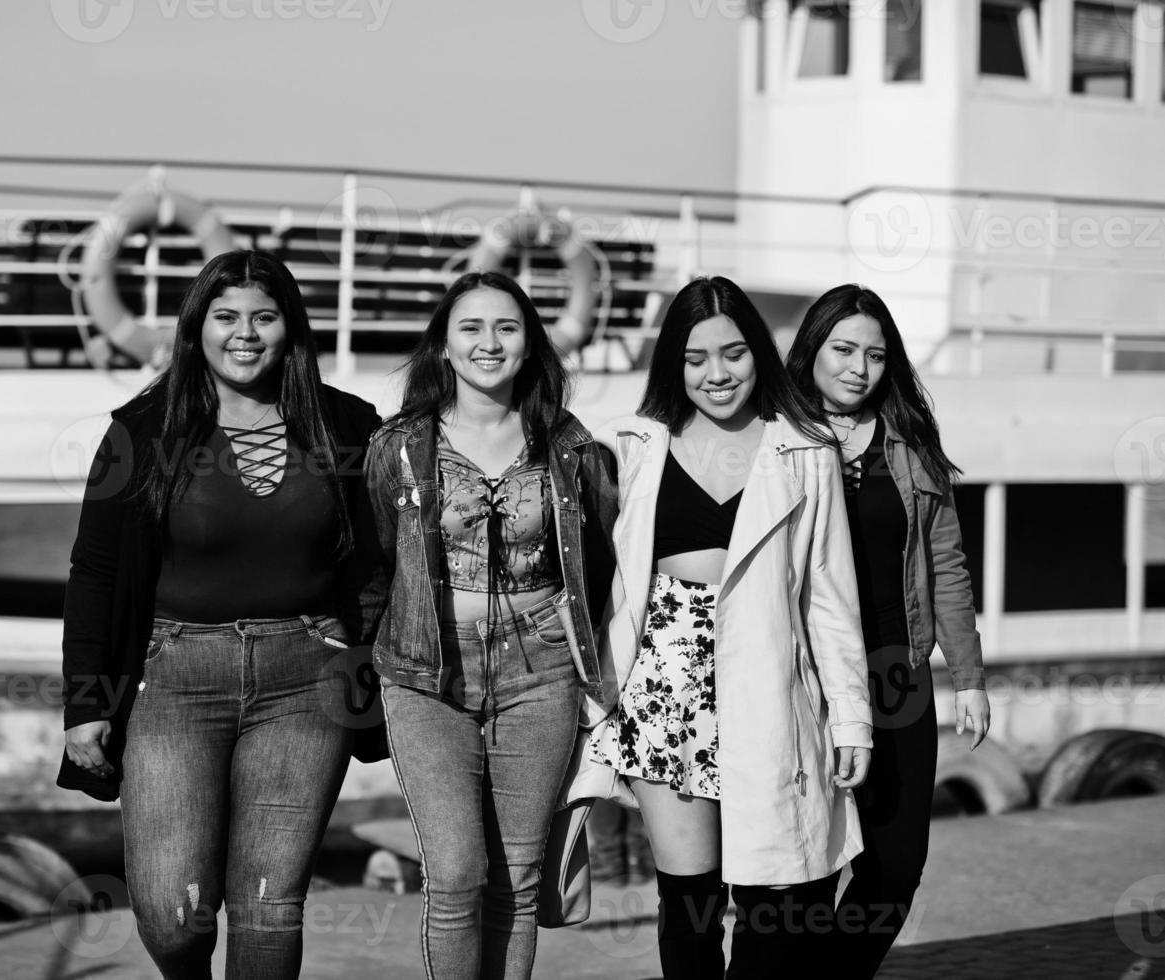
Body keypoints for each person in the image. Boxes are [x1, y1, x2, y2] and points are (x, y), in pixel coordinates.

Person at [57, 250, 384, 979]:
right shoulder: (140, 432)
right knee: (173, 916)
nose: (245, 334)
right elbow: (96, 572)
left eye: (264, 317)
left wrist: (368, 674)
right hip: (173, 679)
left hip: (308, 680)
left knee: (269, 906)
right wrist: (86, 700)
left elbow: (376, 568)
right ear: (196, 327)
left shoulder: (349, 426)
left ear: (290, 329)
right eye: (226, 317)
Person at [564, 275, 873, 980]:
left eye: (732, 353)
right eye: (695, 358)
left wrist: (851, 719)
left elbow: (828, 595)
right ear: (672, 363)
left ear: (757, 353)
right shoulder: (635, 444)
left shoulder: (803, 449)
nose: (715, 374)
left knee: (774, 900)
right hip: (663, 687)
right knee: (688, 902)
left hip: (765, 682)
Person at [365, 270, 618, 980]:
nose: (488, 342)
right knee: (453, 871)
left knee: (518, 874)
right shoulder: (399, 449)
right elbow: (372, 565)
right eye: (470, 328)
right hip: (427, 671)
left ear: (529, 344)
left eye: (506, 328)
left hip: (540, 671)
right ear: (443, 346)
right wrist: (427, 534)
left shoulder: (569, 447)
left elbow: (597, 567)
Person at [786, 283, 990, 979]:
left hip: (896, 676)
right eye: (842, 349)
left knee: (895, 865)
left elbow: (948, 564)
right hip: (803, 676)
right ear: (811, 349)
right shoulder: (775, 438)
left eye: (874, 355)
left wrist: (968, 678)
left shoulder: (908, 444)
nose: (857, 368)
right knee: (805, 864)